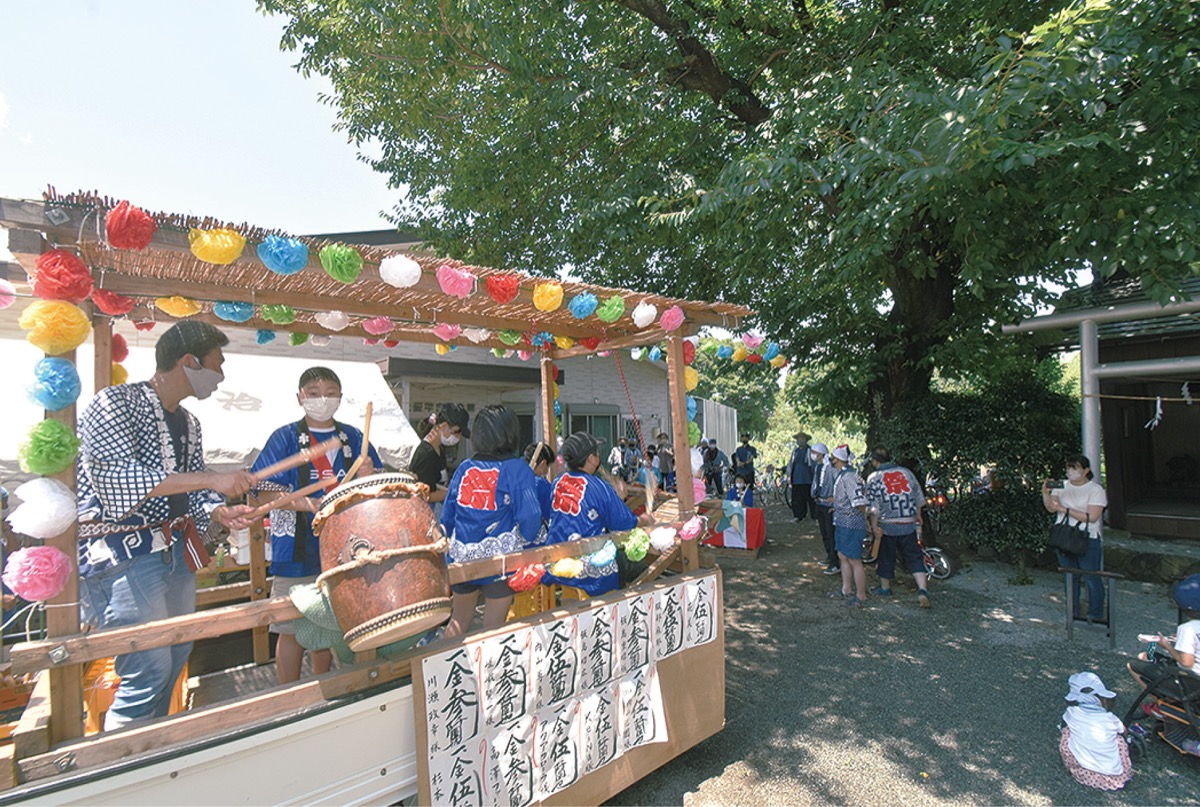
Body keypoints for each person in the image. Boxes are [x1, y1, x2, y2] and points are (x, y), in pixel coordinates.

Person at [77, 321, 256, 729]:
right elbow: (117, 479)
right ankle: (122, 760)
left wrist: (218, 512)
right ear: (189, 361)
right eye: (217, 363)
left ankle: (152, 747)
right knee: (148, 668)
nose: (221, 374)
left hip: (173, 554)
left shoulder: (189, 423)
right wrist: (212, 480)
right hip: (123, 556)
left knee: (175, 656)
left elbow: (190, 492)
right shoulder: (114, 404)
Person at [251, 366, 382, 684]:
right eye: (313, 393)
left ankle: (324, 689)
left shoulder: (354, 437)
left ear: (340, 397)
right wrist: (310, 504)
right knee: (290, 627)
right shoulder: (284, 437)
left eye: (330, 393)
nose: (322, 399)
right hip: (296, 547)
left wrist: (369, 476)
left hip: (344, 548)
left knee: (327, 625)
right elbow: (260, 493)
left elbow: (377, 489)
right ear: (300, 397)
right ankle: (288, 695)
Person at [439, 405, 543, 638]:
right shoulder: (517, 468)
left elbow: (447, 516)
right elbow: (531, 517)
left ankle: (444, 660)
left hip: (462, 556)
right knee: (493, 627)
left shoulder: (464, 467)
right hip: (499, 561)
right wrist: (526, 541)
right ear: (510, 433)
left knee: (459, 620)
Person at [544, 432, 655, 595]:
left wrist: (616, 499)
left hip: (557, 561)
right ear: (591, 459)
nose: (599, 457)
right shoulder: (598, 486)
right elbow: (624, 524)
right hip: (587, 568)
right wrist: (645, 519)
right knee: (643, 567)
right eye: (597, 453)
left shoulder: (558, 482)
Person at [1043, 454, 1108, 622]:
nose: (1070, 471)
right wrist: (1046, 494)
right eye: (1069, 467)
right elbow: (1051, 508)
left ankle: (1095, 614)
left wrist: (1064, 509)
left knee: (1091, 577)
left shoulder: (1095, 490)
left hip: (1087, 538)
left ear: (1086, 470)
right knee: (1070, 577)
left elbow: (1092, 517)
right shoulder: (1061, 486)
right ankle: (1072, 613)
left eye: (1075, 468)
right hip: (1064, 536)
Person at [865, 447, 931, 608]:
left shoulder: (874, 477)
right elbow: (918, 496)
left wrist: (874, 525)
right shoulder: (906, 473)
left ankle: (885, 588)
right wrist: (918, 515)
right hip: (908, 522)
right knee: (914, 556)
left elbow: (873, 507)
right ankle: (922, 589)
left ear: (875, 461)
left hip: (887, 524)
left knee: (886, 555)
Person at [1127, 573, 1200, 700]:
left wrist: (1167, 646)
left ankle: (1161, 704)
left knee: (1132, 665)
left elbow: (1187, 663)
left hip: (1192, 683)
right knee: (1144, 656)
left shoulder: (1188, 628)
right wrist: (1181, 641)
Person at [1059, 671, 1133, 791]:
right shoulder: (1110, 718)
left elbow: (1063, 726)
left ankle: (1076, 762)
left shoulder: (1072, 712)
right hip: (1114, 773)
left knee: (1067, 731)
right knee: (1118, 739)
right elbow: (1123, 731)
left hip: (1084, 769)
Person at [408, 403, 471, 517]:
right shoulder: (426, 455)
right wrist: (453, 492)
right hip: (426, 514)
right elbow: (425, 494)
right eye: (456, 432)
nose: (458, 437)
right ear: (444, 426)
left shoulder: (438, 450)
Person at [829, 444, 869, 607]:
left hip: (851, 523)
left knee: (854, 559)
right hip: (841, 521)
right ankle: (846, 589)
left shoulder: (850, 477)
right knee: (843, 555)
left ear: (838, 459)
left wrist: (865, 520)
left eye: (833, 457)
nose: (831, 460)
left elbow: (859, 502)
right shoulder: (844, 475)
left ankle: (861, 595)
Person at [810, 443, 838, 575]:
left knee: (831, 533)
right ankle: (829, 556)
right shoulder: (817, 466)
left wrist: (834, 497)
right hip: (819, 502)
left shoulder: (830, 467)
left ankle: (835, 563)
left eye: (815, 452)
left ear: (821, 453)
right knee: (824, 532)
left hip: (829, 505)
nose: (813, 454)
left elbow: (836, 482)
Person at [523, 441, 557, 535]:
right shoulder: (540, 484)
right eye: (548, 466)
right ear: (543, 464)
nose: (547, 470)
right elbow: (550, 514)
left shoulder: (514, 480)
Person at [785, 432, 815, 522]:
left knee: (811, 499)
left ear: (806, 440)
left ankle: (814, 516)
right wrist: (789, 475)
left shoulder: (810, 451)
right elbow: (791, 464)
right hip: (797, 479)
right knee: (797, 499)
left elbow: (814, 465)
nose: (800, 441)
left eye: (802, 439)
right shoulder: (795, 452)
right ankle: (799, 516)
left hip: (808, 479)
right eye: (798, 439)